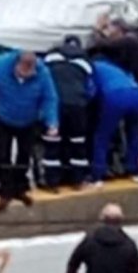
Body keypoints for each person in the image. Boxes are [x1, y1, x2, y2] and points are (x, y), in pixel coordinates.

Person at [0, 50, 59, 213]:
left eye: (28, 75)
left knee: (24, 155)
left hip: (29, 120)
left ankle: (19, 188)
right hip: (4, 117)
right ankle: (5, 190)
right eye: (21, 74)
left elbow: (50, 98)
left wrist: (52, 122)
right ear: (16, 64)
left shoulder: (43, 74)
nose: (24, 77)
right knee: (4, 155)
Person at [43, 36, 96, 191]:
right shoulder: (86, 61)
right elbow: (92, 89)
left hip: (55, 105)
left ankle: (52, 183)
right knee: (77, 143)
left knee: (52, 143)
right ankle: (77, 181)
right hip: (77, 106)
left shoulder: (49, 57)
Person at [90, 17, 138, 117]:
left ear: (118, 29)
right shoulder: (137, 40)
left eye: (108, 28)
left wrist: (97, 30)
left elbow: (102, 45)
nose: (107, 33)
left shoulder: (127, 41)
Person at [89, 57, 138, 186]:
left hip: (115, 95)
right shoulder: (114, 66)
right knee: (133, 134)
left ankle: (98, 175)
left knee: (102, 136)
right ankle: (134, 170)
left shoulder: (92, 68)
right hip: (136, 93)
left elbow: (91, 91)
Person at [66, 203, 138, 273]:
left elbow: (73, 264)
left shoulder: (89, 241)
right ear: (121, 220)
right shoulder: (129, 245)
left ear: (102, 219)